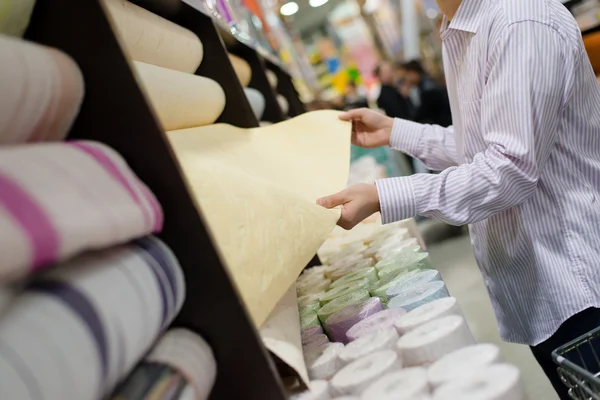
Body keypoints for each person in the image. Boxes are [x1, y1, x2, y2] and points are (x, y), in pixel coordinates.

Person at [316, 0, 600, 398]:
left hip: (578, 281)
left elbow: (507, 170)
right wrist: (395, 131)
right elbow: (482, 148)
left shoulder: (519, 22)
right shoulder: (464, 28)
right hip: (544, 281)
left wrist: (385, 195)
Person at [402, 59, 452, 127]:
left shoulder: (427, 89)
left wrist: (406, 98)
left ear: (413, 73)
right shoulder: (425, 84)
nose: (406, 79)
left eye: (406, 75)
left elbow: (418, 116)